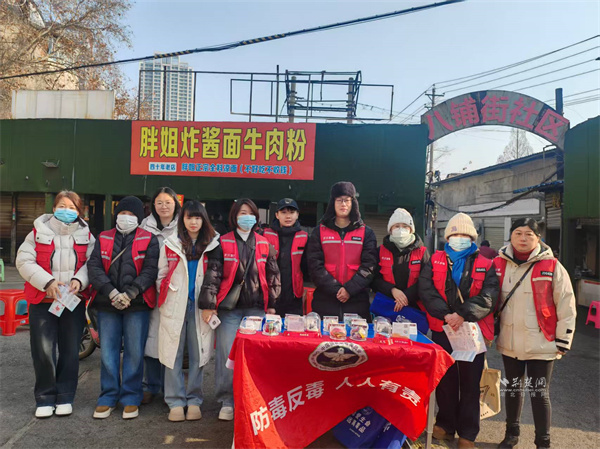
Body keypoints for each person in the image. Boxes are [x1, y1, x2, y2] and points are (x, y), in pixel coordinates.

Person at [419, 212, 499, 449]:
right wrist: (446, 314)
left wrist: (462, 314)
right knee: (445, 380)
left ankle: (468, 434)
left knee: (470, 383)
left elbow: (489, 296)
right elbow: (426, 290)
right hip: (442, 328)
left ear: (472, 237)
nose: (459, 238)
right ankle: (445, 425)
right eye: (455, 234)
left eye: (465, 234)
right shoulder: (434, 259)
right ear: (447, 237)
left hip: (471, 331)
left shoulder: (486, 264)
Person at [494, 218, 576, 449]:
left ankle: (543, 441)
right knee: (513, 389)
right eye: (518, 233)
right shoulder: (498, 264)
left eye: (529, 234)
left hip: (542, 342)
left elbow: (566, 304)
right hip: (510, 341)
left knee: (539, 392)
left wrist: (564, 339)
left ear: (538, 238)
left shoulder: (552, 266)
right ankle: (511, 435)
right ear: (511, 236)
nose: (523, 238)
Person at [16, 191, 95, 418]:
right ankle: (45, 397)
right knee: (43, 351)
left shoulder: (87, 235)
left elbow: (93, 263)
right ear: (54, 208)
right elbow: (23, 260)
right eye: (62, 206)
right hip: (43, 301)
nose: (66, 211)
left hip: (72, 302)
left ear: (79, 211)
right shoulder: (38, 231)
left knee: (70, 350)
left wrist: (80, 280)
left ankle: (65, 397)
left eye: (71, 207)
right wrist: (47, 282)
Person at [200, 198, 280, 421]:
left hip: (256, 310)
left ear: (256, 217)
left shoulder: (264, 243)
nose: (246, 217)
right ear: (234, 216)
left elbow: (273, 276)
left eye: (250, 213)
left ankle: (250, 398)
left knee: (255, 358)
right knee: (227, 355)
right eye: (242, 213)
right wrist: (209, 305)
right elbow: (213, 275)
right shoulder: (223, 242)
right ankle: (227, 400)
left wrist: (272, 305)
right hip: (229, 311)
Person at [88, 196, 159, 420]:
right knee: (108, 353)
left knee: (134, 352)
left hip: (136, 304)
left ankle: (131, 397)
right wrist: (111, 292)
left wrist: (130, 293)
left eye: (131, 214)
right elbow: (94, 267)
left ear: (139, 217)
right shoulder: (103, 237)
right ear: (116, 215)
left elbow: (150, 270)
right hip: (107, 303)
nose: (126, 217)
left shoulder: (149, 239)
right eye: (122, 213)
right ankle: (108, 397)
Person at [156, 201, 220, 422]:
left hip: (201, 307)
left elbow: (218, 277)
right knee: (172, 353)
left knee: (197, 354)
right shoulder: (171, 243)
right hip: (175, 305)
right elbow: (161, 274)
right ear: (182, 220)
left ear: (204, 220)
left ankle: (194, 400)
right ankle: (175, 401)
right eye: (189, 217)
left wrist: (211, 305)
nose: (193, 222)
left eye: (198, 217)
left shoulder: (213, 244)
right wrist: (168, 295)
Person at [306, 181, 378, 320]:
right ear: (332, 203)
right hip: (325, 300)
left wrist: (349, 289)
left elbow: (369, 266)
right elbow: (314, 266)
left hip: (357, 300)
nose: (343, 204)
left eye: (347, 200)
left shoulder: (366, 233)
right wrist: (336, 289)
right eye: (339, 200)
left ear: (353, 203)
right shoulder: (319, 232)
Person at [140, 187, 181, 405]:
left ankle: (169, 388)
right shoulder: (144, 227)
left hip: (174, 291)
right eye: (159, 202)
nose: (164, 207)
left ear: (175, 204)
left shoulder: (183, 227)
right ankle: (150, 385)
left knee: (170, 338)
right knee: (151, 337)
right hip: (148, 288)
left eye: (168, 202)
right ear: (153, 205)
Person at [372, 208, 430, 312]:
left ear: (411, 229)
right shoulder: (380, 251)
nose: (401, 229)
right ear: (390, 229)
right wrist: (392, 290)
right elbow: (374, 279)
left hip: (414, 308)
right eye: (397, 226)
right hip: (387, 307)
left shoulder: (422, 252)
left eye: (405, 226)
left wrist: (405, 297)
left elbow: (426, 280)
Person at [263, 198, 308, 316]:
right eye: (283, 212)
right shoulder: (265, 235)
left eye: (292, 212)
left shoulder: (304, 237)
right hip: (270, 296)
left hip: (294, 296)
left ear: (297, 215)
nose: (288, 216)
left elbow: (308, 268)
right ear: (277, 215)